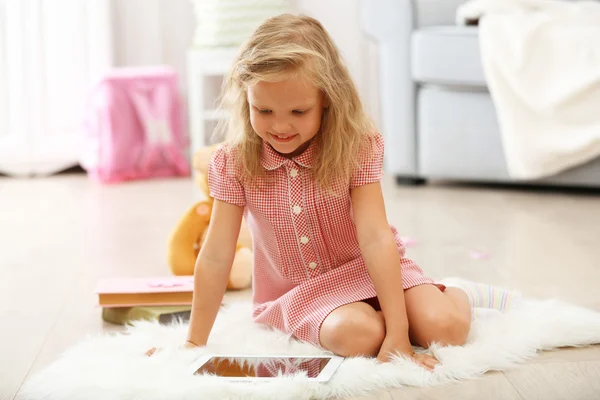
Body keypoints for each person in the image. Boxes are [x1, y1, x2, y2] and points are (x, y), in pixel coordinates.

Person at [160, 14, 518, 371]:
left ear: (328, 99)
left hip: (370, 269)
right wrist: (194, 342)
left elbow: (376, 238)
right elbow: (216, 255)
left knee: (446, 328)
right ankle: (376, 317)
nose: (280, 126)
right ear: (246, 99)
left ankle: (456, 292)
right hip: (302, 294)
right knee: (357, 336)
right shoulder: (232, 162)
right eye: (263, 110)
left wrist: (399, 330)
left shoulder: (355, 148)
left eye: (299, 111)